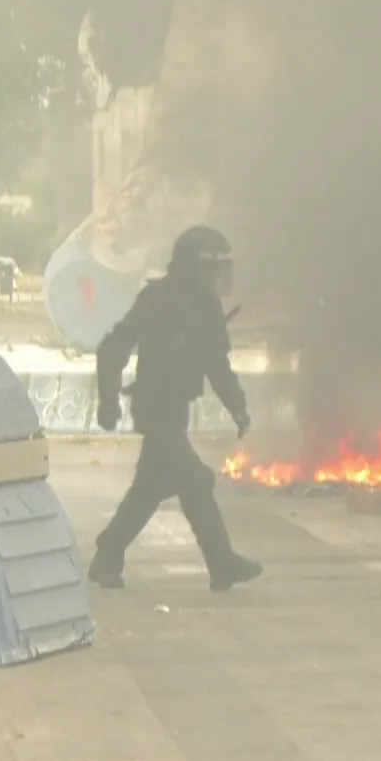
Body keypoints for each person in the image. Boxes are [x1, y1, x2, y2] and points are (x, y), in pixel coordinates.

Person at [87, 225, 261, 591]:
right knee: (196, 480)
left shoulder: (207, 306)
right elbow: (114, 347)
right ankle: (221, 561)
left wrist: (238, 408)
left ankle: (108, 555)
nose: (216, 277)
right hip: (154, 410)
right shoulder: (157, 300)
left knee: (150, 489)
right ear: (191, 266)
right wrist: (107, 399)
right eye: (210, 269)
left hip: (177, 411)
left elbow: (217, 365)